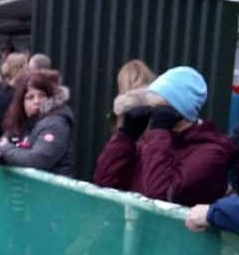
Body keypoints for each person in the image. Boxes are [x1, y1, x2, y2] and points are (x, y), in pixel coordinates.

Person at [94, 66, 235, 207]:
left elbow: (157, 196)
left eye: (159, 109)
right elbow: (105, 181)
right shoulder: (154, 144)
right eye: (150, 108)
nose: (152, 115)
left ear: (179, 111)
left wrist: (159, 132)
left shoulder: (211, 154)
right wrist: (126, 136)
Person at [0, 69, 74, 176]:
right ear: (21, 103)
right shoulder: (24, 121)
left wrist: (6, 149)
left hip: (52, 191)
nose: (37, 101)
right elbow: (5, 145)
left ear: (50, 97)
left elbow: (38, 160)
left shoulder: (55, 124)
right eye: (30, 97)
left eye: (42, 95)